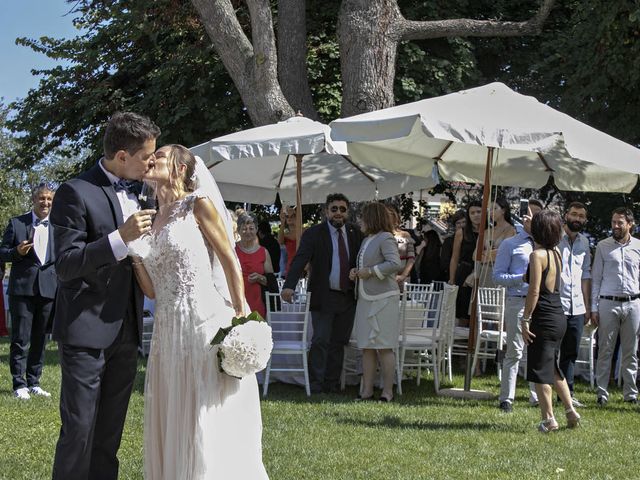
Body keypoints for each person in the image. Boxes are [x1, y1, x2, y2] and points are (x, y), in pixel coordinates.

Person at [131, 144, 268, 478]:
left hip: (202, 320)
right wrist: (135, 253)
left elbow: (228, 259)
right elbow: (151, 289)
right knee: (173, 408)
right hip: (166, 327)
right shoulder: (149, 219)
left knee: (200, 408)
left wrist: (240, 313)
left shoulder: (197, 205)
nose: (151, 160)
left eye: (160, 156)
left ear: (180, 169)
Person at [50, 112, 159, 480]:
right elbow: (64, 264)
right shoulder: (74, 192)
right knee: (80, 430)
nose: (152, 163)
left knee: (110, 434)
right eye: (147, 157)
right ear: (122, 156)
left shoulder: (145, 191)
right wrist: (119, 239)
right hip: (85, 330)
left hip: (127, 330)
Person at [281, 193, 363, 394]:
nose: (338, 213)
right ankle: (316, 384)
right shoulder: (314, 233)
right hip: (323, 296)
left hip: (348, 296)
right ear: (326, 211)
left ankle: (332, 384)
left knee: (338, 343)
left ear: (347, 212)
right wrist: (289, 285)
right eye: (334, 209)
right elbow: (300, 259)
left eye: (342, 209)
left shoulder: (355, 233)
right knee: (320, 340)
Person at [521, 209, 581, 432]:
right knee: (553, 367)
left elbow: (534, 291)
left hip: (543, 316)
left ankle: (549, 419)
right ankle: (570, 411)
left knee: (539, 370)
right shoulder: (556, 252)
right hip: (559, 314)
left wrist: (525, 318)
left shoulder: (537, 255)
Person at [0, 182, 58, 399]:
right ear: (34, 200)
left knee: (41, 338)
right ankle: (19, 384)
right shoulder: (16, 223)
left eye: (49, 199)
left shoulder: (58, 226)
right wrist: (16, 251)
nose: (45, 203)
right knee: (20, 339)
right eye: (42, 198)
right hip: (22, 290)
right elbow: (3, 253)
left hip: (48, 289)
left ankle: (34, 381)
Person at [493, 199, 543, 412]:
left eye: (537, 215)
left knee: (538, 351)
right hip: (518, 300)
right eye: (529, 214)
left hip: (541, 303)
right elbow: (497, 276)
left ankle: (536, 396)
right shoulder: (510, 244)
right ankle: (507, 398)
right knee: (514, 350)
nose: (530, 218)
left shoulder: (547, 244)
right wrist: (521, 278)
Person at [350, 202, 401, 402]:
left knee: (384, 346)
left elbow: (395, 264)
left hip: (384, 299)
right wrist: (355, 272)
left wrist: (371, 272)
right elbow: (365, 266)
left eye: (362, 217)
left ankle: (387, 392)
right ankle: (367, 391)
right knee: (367, 346)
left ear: (371, 218)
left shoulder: (386, 237)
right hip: (366, 297)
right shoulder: (367, 240)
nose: (359, 221)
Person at [591, 207, 640, 406]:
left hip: (633, 303)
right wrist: (594, 308)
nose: (616, 226)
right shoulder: (603, 246)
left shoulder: (638, 246)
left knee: (631, 351)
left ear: (630, 224)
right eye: (613, 222)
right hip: (607, 303)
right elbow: (595, 279)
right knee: (605, 350)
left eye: (620, 222)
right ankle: (602, 393)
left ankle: (630, 394)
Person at [558, 202, 591, 407]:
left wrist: (586, 306)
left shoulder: (585, 243)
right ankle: (540, 393)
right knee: (551, 351)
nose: (577, 218)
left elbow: (585, 275)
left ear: (585, 220)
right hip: (557, 303)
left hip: (577, 306)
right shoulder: (554, 238)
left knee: (571, 353)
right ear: (566, 215)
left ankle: (567, 394)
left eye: (581, 216)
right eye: (574, 214)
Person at [448, 200, 482, 323]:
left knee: (479, 310)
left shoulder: (490, 230)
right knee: (463, 311)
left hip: (482, 271)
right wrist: (452, 279)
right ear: (468, 215)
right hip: (464, 271)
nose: (476, 215)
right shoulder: (461, 232)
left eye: (479, 211)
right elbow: (454, 257)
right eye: (472, 213)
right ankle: (464, 340)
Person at [236, 214, 275, 318]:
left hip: (257, 304)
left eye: (251, 228)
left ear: (257, 229)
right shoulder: (232, 250)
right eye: (244, 229)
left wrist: (260, 278)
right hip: (236, 303)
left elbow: (272, 283)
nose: (248, 232)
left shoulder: (264, 252)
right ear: (238, 230)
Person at [476, 197, 516, 288]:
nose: (491, 212)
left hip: (501, 273)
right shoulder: (487, 231)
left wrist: (485, 254)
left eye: (494, 208)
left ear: (503, 210)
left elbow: (504, 253)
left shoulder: (511, 230)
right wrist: (490, 255)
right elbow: (475, 254)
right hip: (484, 273)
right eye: (489, 209)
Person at [387, 206, 415, 289]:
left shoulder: (405, 235)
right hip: (385, 280)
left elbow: (411, 258)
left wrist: (403, 276)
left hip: (402, 279)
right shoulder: (379, 235)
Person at [440, 209, 465, 283]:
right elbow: (444, 262)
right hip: (454, 276)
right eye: (458, 223)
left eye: (464, 222)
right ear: (455, 225)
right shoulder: (449, 241)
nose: (461, 225)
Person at [278, 206, 301, 277]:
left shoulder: (305, 231)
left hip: (304, 267)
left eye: (293, 216)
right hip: (290, 268)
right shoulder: (285, 235)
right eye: (287, 216)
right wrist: (282, 221)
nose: (290, 218)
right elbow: (280, 242)